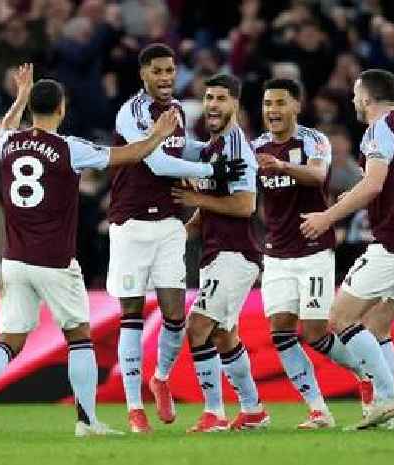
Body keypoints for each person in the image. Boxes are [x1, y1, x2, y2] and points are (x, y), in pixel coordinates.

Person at [0, 63, 180, 438]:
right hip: (55, 261)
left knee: (9, 340)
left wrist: (20, 96)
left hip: (14, 260)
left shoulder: (8, 141)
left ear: (31, 109)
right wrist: (157, 134)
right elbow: (126, 155)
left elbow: (6, 125)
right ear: (61, 109)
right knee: (79, 337)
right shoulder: (69, 148)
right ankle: (86, 421)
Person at [108, 43, 246, 433]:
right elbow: (157, 160)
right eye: (158, 71)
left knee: (174, 314)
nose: (166, 77)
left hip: (169, 224)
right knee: (131, 315)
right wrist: (210, 170)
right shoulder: (131, 113)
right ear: (143, 74)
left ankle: (161, 379)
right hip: (130, 224)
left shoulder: (179, 111)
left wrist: (211, 150)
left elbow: (177, 147)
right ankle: (135, 409)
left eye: (170, 70)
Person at [300, 69, 394, 429]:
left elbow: (375, 184)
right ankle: (385, 413)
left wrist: (328, 216)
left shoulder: (379, 128)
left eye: (355, 94)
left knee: (338, 318)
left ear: (366, 97)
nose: (352, 100)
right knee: (377, 327)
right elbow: (391, 182)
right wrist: (356, 195)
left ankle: (389, 394)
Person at [253, 78, 364, 429]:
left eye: (280, 103)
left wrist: (283, 167)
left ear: (296, 106)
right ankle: (318, 410)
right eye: (268, 104)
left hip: (313, 250)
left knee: (316, 332)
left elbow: (317, 176)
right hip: (276, 254)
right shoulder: (255, 146)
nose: (273, 110)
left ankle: (372, 375)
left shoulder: (315, 141)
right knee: (280, 332)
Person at [172, 74, 266, 433]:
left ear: (235, 104)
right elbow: (207, 210)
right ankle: (253, 409)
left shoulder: (238, 148)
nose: (212, 105)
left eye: (220, 98)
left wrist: (196, 198)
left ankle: (214, 413)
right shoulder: (214, 147)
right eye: (208, 97)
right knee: (225, 336)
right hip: (216, 254)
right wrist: (180, 235)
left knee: (197, 328)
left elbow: (245, 205)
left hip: (236, 254)